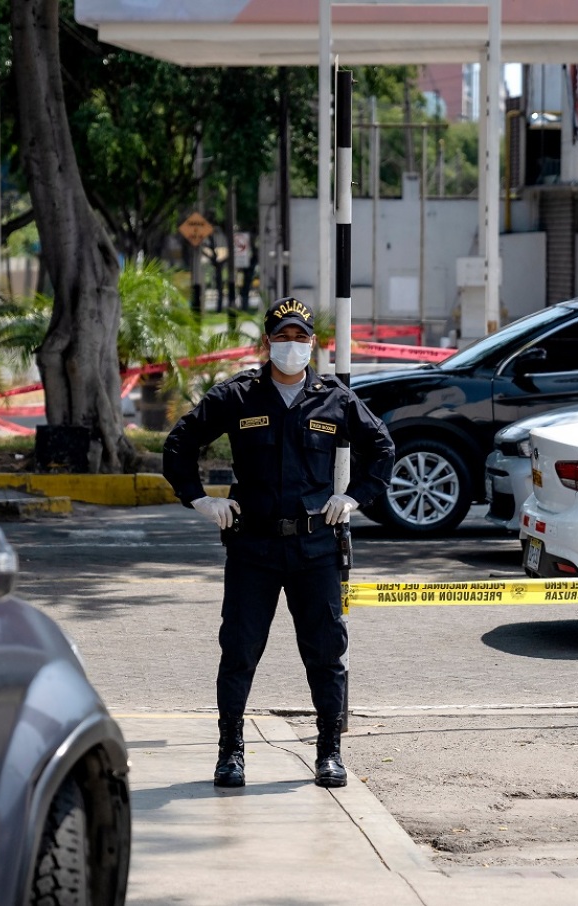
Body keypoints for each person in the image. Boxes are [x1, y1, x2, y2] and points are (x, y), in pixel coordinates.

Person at [162, 297, 394, 789]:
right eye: (283, 337)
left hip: (316, 550)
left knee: (326, 652)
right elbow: (180, 442)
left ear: (314, 344)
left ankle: (329, 751)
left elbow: (382, 447)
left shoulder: (334, 397)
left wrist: (354, 497)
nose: (292, 346)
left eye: (301, 337)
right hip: (253, 549)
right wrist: (200, 500)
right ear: (267, 343)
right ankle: (231, 752)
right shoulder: (239, 395)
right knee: (240, 651)